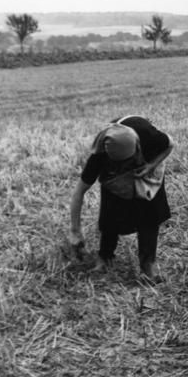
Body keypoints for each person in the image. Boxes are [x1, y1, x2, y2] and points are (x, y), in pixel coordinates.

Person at [68, 115, 174, 281]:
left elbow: (170, 144)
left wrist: (151, 165)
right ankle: (105, 258)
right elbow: (79, 192)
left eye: (126, 162)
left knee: (150, 212)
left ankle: (148, 264)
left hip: (147, 169)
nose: (124, 167)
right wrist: (75, 231)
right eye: (118, 164)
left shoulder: (150, 137)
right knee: (110, 211)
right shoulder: (101, 154)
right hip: (113, 180)